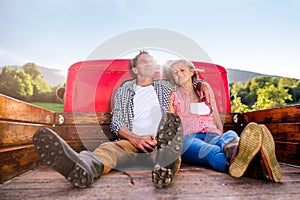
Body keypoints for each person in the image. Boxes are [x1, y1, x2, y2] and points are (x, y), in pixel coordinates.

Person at [32, 50, 213, 189]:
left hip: (161, 141)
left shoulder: (165, 86)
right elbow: (117, 121)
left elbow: (187, 80)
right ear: (135, 69)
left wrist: (201, 83)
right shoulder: (123, 91)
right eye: (144, 61)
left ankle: (165, 167)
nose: (150, 64)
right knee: (108, 148)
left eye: (152, 61)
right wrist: (135, 138)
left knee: (171, 145)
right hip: (132, 141)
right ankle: (84, 167)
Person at [167, 59, 282, 182]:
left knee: (230, 135)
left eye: (182, 70)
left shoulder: (205, 93)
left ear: (191, 72)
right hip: (189, 139)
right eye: (175, 72)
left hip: (212, 135)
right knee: (211, 151)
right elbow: (171, 123)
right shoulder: (173, 96)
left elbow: (216, 119)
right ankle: (255, 167)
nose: (179, 73)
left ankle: (240, 154)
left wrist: (219, 135)